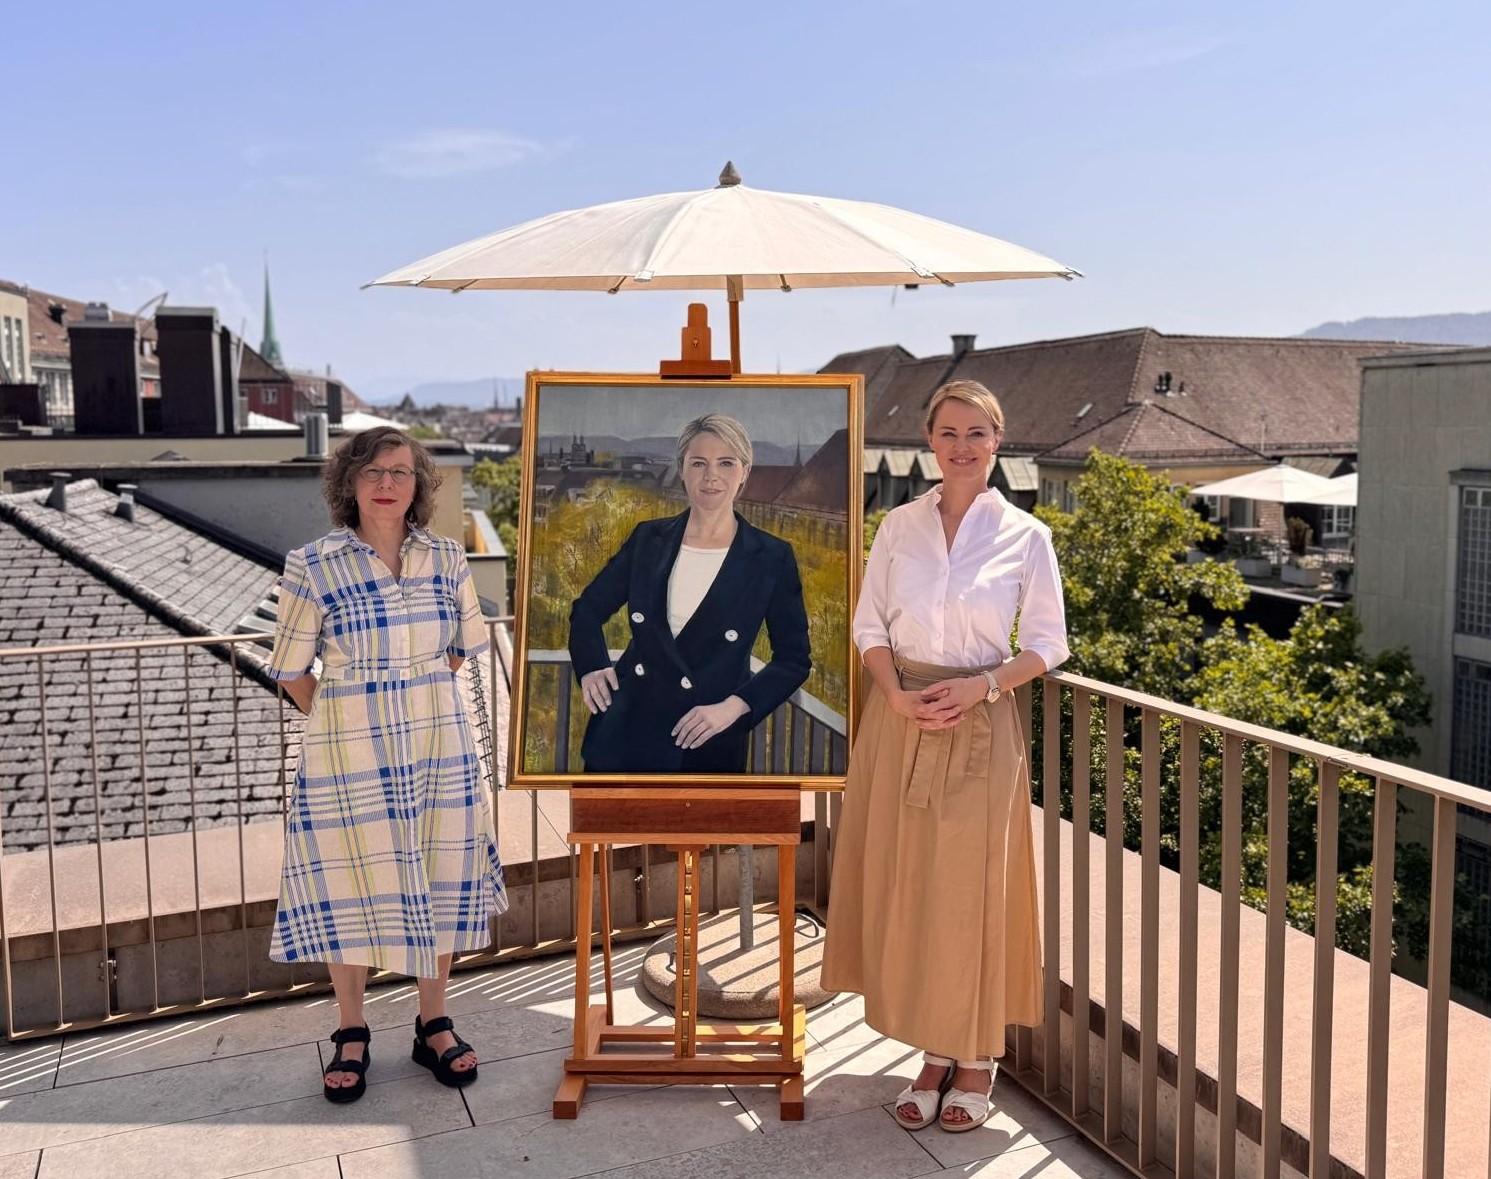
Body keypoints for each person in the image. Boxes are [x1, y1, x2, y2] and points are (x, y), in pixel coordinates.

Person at [820, 379, 1070, 1133]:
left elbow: (1049, 644)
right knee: (912, 886)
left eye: (977, 433)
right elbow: (868, 626)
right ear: (928, 440)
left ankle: (971, 1057)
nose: (962, 446)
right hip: (897, 721)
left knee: (969, 891)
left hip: (980, 723)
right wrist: (894, 697)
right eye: (948, 432)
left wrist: (981, 687)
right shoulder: (897, 525)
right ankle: (932, 1050)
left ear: (998, 442)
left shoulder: (1027, 536)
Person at [267, 427, 507, 1104]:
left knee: (441, 873)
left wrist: (419, 692)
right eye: (372, 470)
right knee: (347, 884)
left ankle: (434, 1020)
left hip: (439, 744)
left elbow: (463, 646)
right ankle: (351, 1029)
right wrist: (346, 719)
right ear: (348, 483)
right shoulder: (312, 564)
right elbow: (290, 669)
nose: (386, 483)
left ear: (418, 486)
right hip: (349, 753)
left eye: (401, 472)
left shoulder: (447, 557)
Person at [568, 413, 811, 773]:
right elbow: (587, 610)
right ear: (682, 470)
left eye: (726, 463)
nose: (711, 475)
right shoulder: (648, 539)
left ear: (744, 472)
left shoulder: (772, 557)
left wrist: (734, 707)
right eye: (699, 463)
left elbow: (794, 659)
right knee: (616, 831)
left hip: (706, 739)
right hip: (623, 734)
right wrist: (591, 667)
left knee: (698, 831)